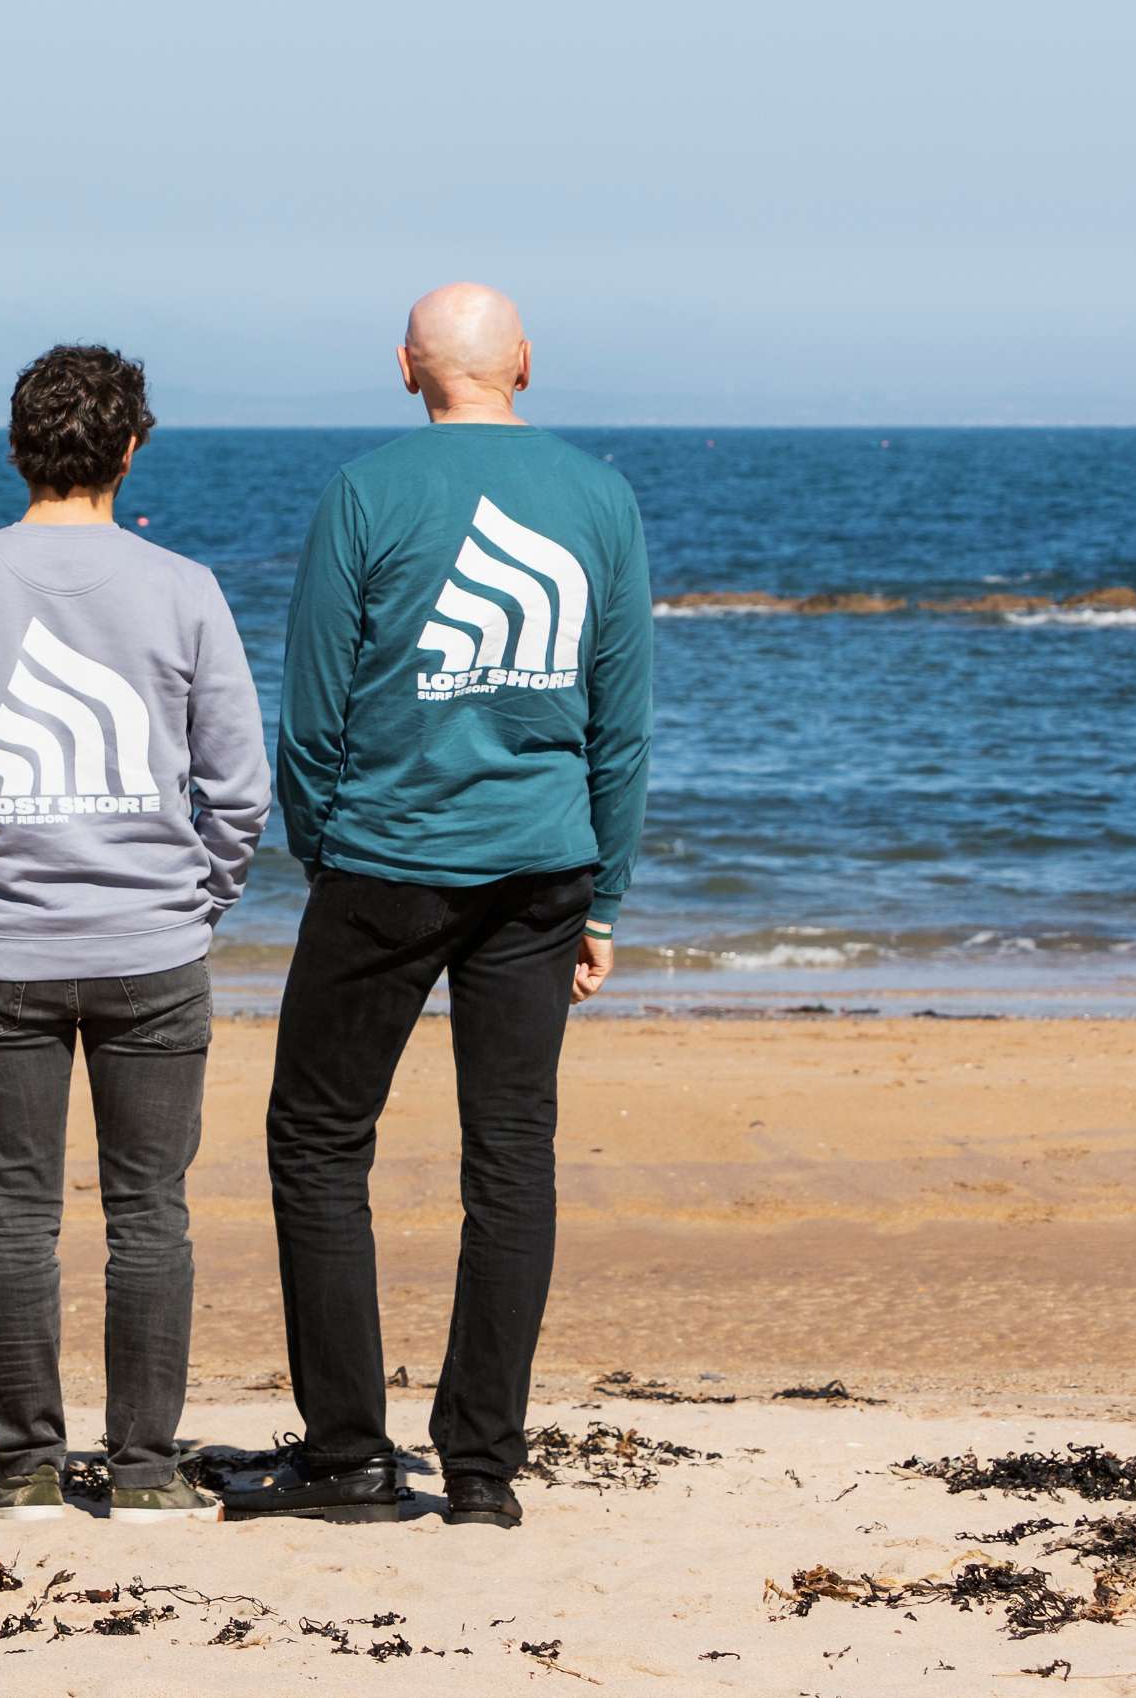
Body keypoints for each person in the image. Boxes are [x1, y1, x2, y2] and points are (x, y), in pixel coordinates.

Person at [223, 284, 653, 1533]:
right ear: (522, 362)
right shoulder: (600, 499)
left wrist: (324, 853)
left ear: (407, 369)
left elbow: (310, 710)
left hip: (386, 864)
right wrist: (605, 900)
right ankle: (480, 1473)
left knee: (315, 1143)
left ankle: (351, 1456)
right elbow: (618, 728)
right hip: (540, 870)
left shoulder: (366, 492)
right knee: (509, 1158)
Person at [0, 346, 270, 1526]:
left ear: (16, 447)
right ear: (131, 448)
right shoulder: (182, 586)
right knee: (149, 1215)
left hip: (4, 951)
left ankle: (25, 1470)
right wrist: (194, 900)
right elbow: (239, 789)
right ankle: (146, 1474)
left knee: (15, 1217)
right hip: (150, 949)